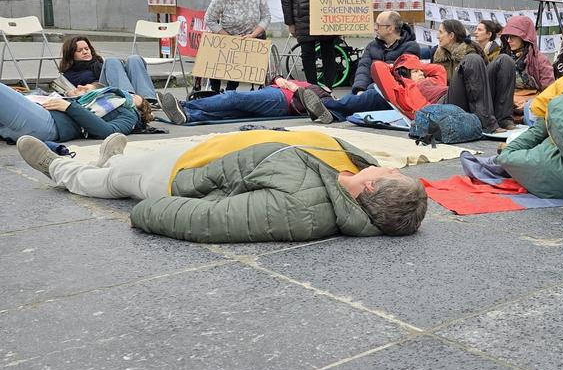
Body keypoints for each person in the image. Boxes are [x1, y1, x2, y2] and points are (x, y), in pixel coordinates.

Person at [16, 130, 428, 242]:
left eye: (392, 176)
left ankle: (61, 170)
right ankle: (116, 160)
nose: (389, 168)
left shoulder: (303, 210)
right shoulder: (358, 167)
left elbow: (212, 220)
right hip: (204, 151)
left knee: (106, 182)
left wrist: (143, 211)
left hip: (177, 177)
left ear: (372, 190)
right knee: (124, 165)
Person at [298, 11, 421, 123]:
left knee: (365, 98)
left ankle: (323, 104)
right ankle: (329, 112)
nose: (375, 28)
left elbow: (402, 74)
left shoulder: (410, 47)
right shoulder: (372, 46)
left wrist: (372, 87)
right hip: (370, 89)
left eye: (378, 25)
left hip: (393, 93)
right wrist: (359, 88)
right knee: (354, 98)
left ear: (390, 28)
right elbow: (363, 68)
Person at [0, 81, 150, 143]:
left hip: (50, 124)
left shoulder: (129, 114)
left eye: (135, 96)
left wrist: (69, 107)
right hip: (41, 120)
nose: (129, 94)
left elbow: (109, 132)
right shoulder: (104, 98)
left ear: (141, 108)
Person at [433, 19, 515, 131]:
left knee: (505, 60)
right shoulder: (438, 55)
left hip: (479, 98)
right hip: (453, 99)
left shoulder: (473, 51)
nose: (438, 36)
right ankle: (485, 122)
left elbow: (484, 80)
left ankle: (503, 118)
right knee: (473, 59)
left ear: (451, 35)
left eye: (441, 32)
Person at [204, 0, 271, 93]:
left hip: (253, 39)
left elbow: (266, 17)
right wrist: (229, 37)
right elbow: (209, 19)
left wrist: (253, 34)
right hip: (229, 40)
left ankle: (231, 91)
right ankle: (214, 91)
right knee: (217, 53)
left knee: (240, 53)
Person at [156, 77, 332, 125]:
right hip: (276, 96)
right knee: (228, 113)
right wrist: (278, 79)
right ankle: (189, 116)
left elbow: (312, 103)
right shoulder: (313, 85)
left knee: (233, 97)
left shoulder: (322, 92)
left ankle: (184, 106)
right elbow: (275, 78)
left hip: (281, 99)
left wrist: (295, 88)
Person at [59, 36, 158, 103]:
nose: (85, 52)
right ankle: (130, 99)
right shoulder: (71, 73)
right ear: (71, 54)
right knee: (111, 61)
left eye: (86, 48)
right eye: (79, 51)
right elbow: (79, 90)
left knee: (134, 59)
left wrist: (124, 66)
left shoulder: (98, 63)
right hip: (101, 92)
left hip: (114, 87)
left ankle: (149, 100)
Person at [499, 16, 555, 121]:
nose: (509, 40)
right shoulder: (503, 58)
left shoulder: (540, 60)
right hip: (507, 103)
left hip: (532, 105)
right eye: (507, 37)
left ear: (524, 37)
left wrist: (532, 102)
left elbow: (549, 90)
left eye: (513, 37)